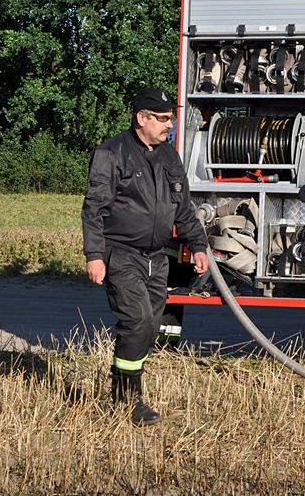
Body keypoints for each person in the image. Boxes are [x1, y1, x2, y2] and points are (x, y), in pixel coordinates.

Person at [82, 87, 209, 426]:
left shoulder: (169, 157)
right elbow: (94, 209)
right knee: (136, 322)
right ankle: (127, 400)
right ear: (142, 119)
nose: (171, 125)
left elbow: (183, 207)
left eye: (172, 118)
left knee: (151, 327)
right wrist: (94, 255)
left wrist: (197, 244)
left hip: (158, 257)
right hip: (121, 255)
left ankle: (124, 389)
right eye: (164, 119)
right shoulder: (112, 153)